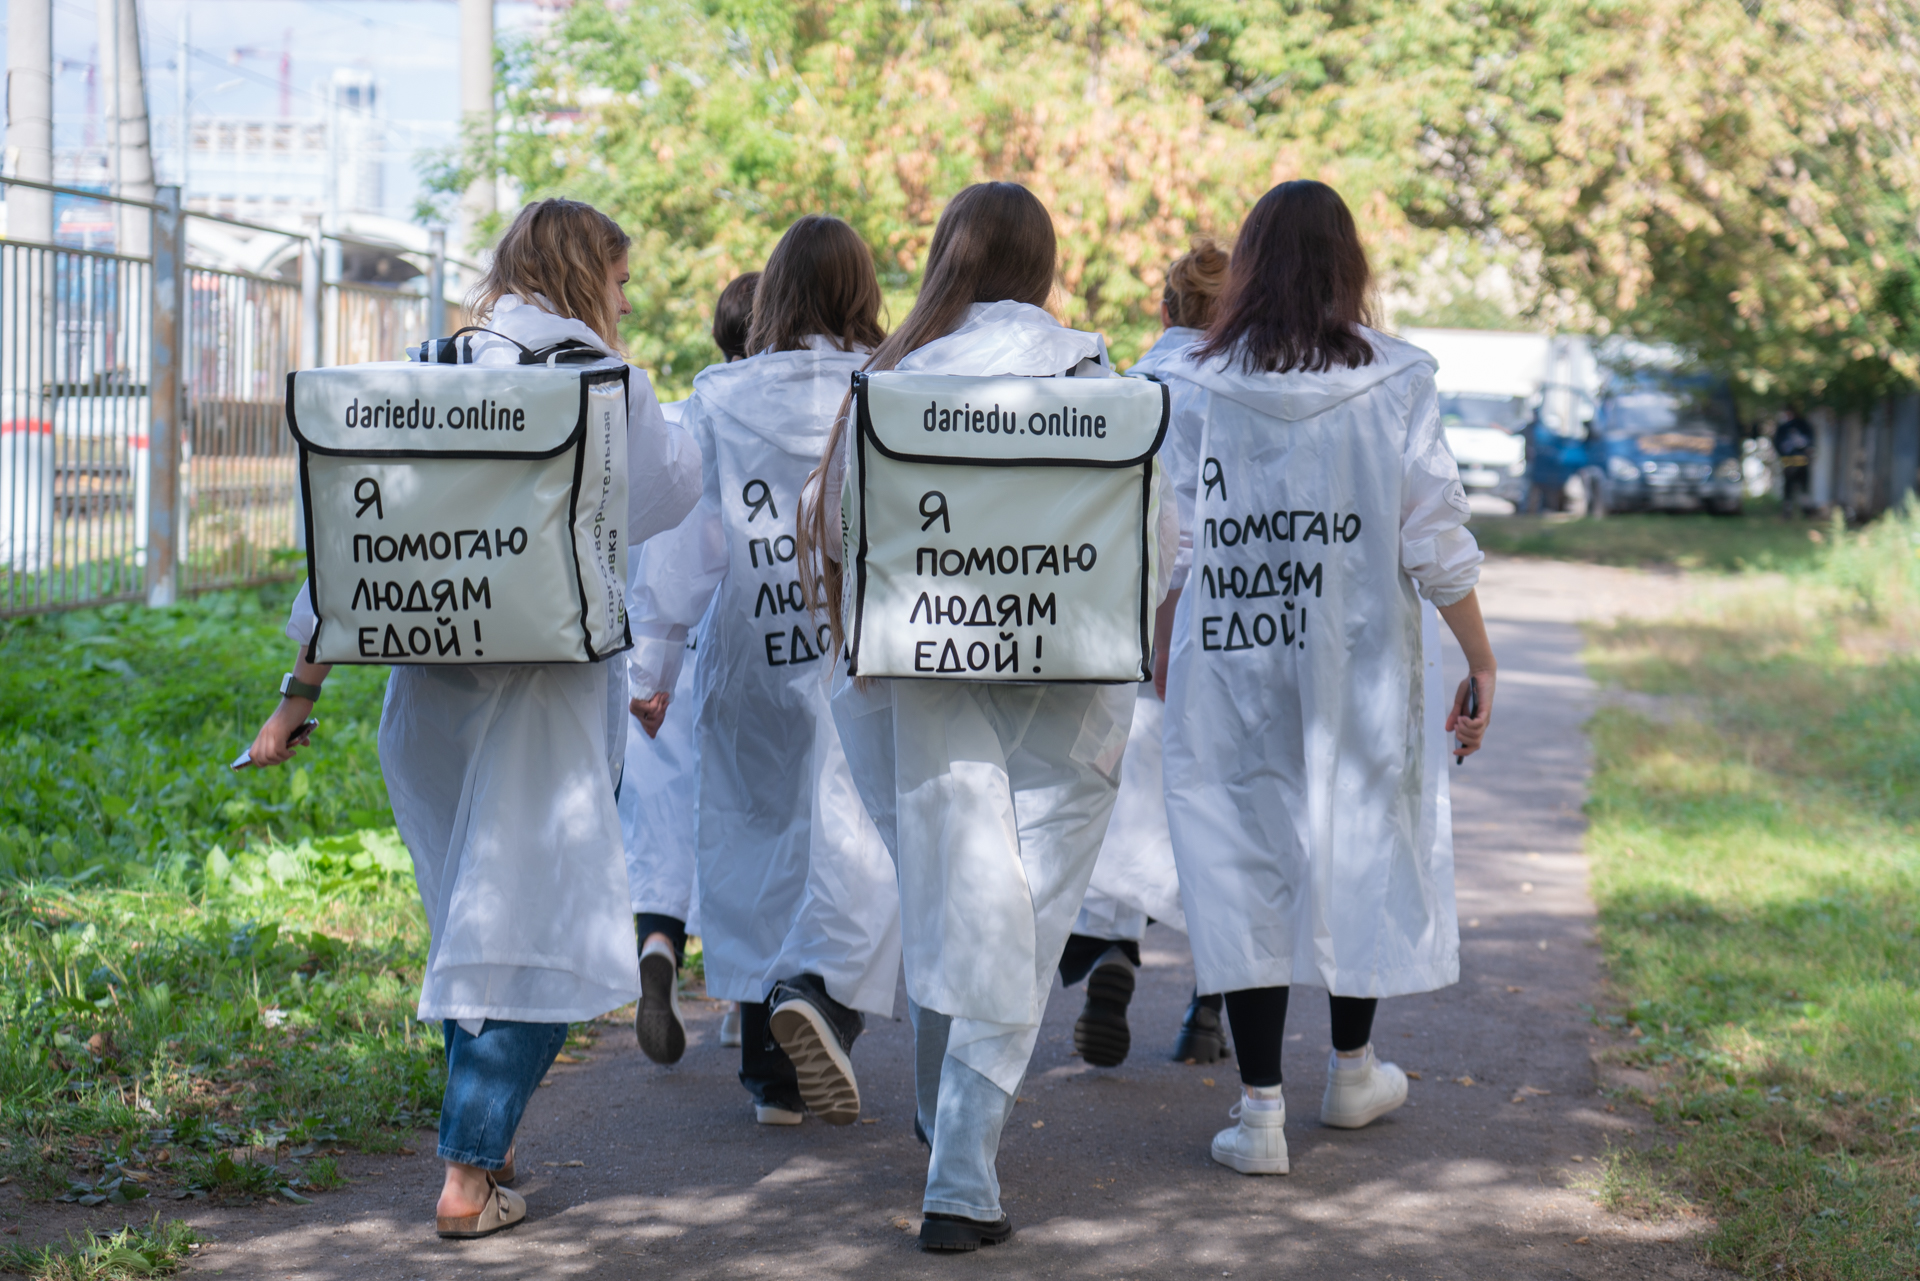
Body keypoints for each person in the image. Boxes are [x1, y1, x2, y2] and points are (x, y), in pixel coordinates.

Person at [245, 198, 702, 1237]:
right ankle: (467, 1168)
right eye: (621, 282)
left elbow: (352, 552)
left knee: (470, 924)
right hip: (550, 700)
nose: (627, 303)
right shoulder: (607, 387)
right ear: (587, 277)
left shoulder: (429, 370)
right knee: (537, 931)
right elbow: (672, 493)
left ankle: (484, 1152)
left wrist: (297, 694)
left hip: (430, 699)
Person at [798, 182, 1180, 1251]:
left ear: (947, 261)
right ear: (1044, 266)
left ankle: (944, 1130)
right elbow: (1159, 547)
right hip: (1073, 684)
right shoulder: (1102, 386)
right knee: (1025, 918)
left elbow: (833, 525)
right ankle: (960, 1173)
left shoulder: (893, 384)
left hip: (928, 667)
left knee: (953, 888)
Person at [1157, 180, 1494, 1176]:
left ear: (1250, 268)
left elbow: (1165, 542)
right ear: (1349, 266)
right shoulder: (1397, 381)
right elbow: (1436, 536)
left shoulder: (1188, 385)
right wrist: (1479, 657)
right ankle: (1352, 1070)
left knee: (1241, 853)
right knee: (1361, 840)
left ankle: (1259, 1109)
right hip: (1362, 666)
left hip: (1230, 663)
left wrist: (1159, 656)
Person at [628, 217, 901, 1126]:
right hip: (857, 648)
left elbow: (685, 547)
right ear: (862, 291)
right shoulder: (890, 390)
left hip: (751, 648)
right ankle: (823, 1000)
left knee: (755, 839)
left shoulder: (720, 397)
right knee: (865, 842)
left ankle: (767, 1077)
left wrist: (654, 665)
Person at [1060, 237, 1233, 1069]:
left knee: (1121, 798)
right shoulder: (1254, 395)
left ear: (1165, 310)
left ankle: (1111, 951)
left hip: (1132, 622)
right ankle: (1212, 1003)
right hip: (1230, 627)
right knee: (1226, 812)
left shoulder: (1131, 393)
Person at [623, 270, 761, 1064]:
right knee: (751, 814)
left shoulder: (681, 417)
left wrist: (646, 674)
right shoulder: (791, 417)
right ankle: (747, 1002)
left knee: (663, 814)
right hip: (745, 644)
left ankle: (659, 948)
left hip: (667, 643)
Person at [1773, 406, 1814, 520]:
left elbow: (1809, 442)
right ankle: (1788, 510)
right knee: (1789, 488)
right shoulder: (1783, 427)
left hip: (1801, 462)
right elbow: (1777, 444)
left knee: (1803, 486)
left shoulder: (1801, 425)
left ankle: (1806, 509)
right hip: (1789, 462)